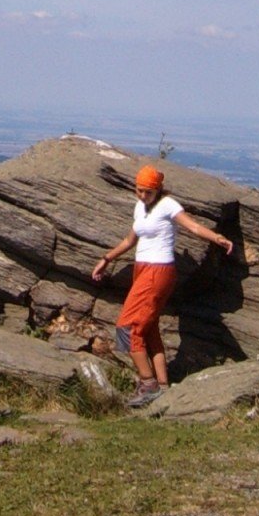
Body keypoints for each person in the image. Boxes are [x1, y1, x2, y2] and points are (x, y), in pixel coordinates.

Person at [91, 164, 233, 406]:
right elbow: (129, 240)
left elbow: (193, 226)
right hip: (142, 270)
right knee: (148, 328)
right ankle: (163, 384)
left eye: (148, 191)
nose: (143, 195)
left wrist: (217, 238)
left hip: (159, 272)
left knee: (126, 327)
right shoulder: (139, 207)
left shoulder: (168, 205)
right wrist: (106, 259)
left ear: (158, 190)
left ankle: (148, 384)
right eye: (139, 190)